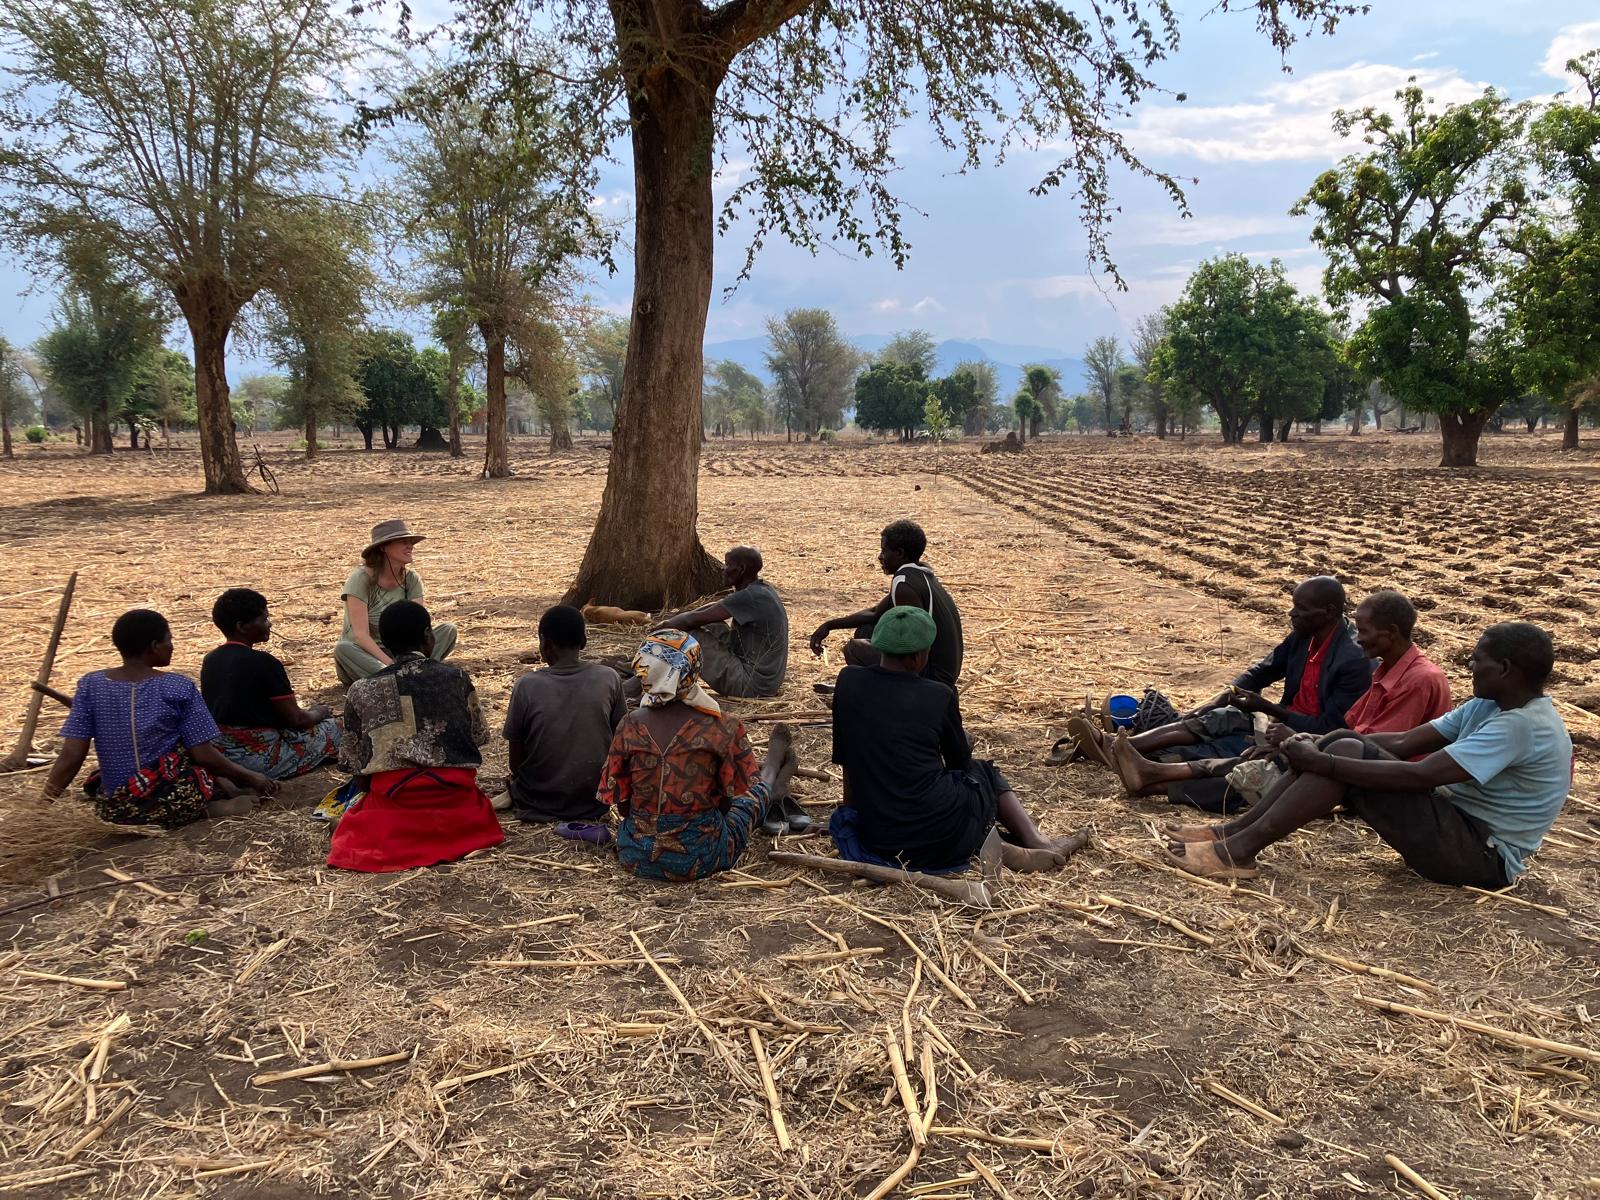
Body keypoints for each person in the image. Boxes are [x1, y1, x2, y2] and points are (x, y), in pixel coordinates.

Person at [1163, 622, 1572, 887]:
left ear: (1505, 669)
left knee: (1340, 757)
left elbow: (1423, 775)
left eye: (1477, 660)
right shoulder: (1490, 705)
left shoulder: (1521, 726)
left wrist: (1322, 760)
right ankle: (1232, 836)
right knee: (1344, 743)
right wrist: (1321, 741)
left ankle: (1236, 850)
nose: (1470, 667)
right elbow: (1405, 743)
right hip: (1458, 828)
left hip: (1482, 856)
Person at [1108, 590, 1452, 804]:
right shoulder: (1383, 666)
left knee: (1260, 774)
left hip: (1383, 776)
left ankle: (1154, 781)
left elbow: (1379, 749)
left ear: (1391, 633)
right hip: (1338, 749)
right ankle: (1139, 761)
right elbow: (1352, 731)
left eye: (1365, 631)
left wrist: (1301, 743)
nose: (1359, 638)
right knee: (1241, 739)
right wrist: (1296, 741)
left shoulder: (1408, 676)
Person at [829, 606, 1076, 873]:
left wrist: (851, 816)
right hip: (934, 833)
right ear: (918, 657)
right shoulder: (938, 695)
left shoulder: (848, 681)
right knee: (984, 773)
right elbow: (960, 764)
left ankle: (997, 843)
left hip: (879, 837)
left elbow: (846, 758)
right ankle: (1035, 841)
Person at [1069, 577, 1372, 787]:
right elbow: (1262, 671)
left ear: (1329, 612)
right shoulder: (1305, 636)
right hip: (1280, 722)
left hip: (1303, 736)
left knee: (1224, 748)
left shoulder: (1352, 660)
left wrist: (1268, 708)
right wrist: (1229, 693)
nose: (1293, 613)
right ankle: (1115, 746)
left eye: (1302, 609)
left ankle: (1142, 763)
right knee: (1216, 716)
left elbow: (1330, 728)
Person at [41, 609, 279, 826]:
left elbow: (72, 755)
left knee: (106, 774)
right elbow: (203, 755)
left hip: (116, 807)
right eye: (169, 640)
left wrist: (42, 807)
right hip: (171, 799)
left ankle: (221, 796)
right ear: (154, 646)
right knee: (198, 746)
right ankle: (208, 808)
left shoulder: (91, 685)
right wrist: (252, 777)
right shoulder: (178, 687)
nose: (171, 646)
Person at [598, 630, 796, 882]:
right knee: (749, 798)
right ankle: (771, 773)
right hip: (702, 857)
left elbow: (622, 805)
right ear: (693, 669)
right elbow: (726, 805)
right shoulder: (723, 727)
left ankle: (771, 776)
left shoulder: (629, 725)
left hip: (636, 855)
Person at [328, 601, 503, 872]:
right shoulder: (457, 679)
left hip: (394, 805)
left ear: (385, 645)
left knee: (350, 826)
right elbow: (477, 738)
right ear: (428, 636)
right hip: (457, 804)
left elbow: (357, 771)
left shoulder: (361, 690)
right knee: (473, 816)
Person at [501, 605, 626, 826]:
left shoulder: (526, 685)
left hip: (537, 800)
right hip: (594, 800)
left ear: (545, 643)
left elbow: (515, 762)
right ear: (584, 641)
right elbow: (621, 739)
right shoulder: (609, 678)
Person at [201, 588, 341, 780]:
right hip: (260, 755)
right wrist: (320, 712)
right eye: (264, 619)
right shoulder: (264, 662)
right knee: (338, 727)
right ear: (242, 626)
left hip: (222, 754)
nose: (269, 624)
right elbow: (297, 720)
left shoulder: (211, 660)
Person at [809, 519, 964, 687]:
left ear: (900, 553)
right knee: (866, 630)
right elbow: (875, 613)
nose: (880, 557)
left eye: (884, 551)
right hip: (942, 670)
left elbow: (913, 644)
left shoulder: (904, 584)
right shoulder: (919, 573)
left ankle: (888, 694)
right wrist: (829, 625)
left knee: (854, 649)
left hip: (934, 675)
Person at [334, 519, 459, 685]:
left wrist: (407, 661)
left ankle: (401, 678)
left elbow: (416, 629)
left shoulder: (411, 579)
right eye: (403, 542)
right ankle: (412, 677)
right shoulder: (360, 579)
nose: (410, 546)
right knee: (343, 648)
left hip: (402, 654)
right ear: (383, 547)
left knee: (448, 630)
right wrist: (391, 664)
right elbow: (360, 636)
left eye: (411, 542)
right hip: (367, 656)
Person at [656, 546, 789, 697]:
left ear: (741, 569)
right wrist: (674, 620)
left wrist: (664, 627)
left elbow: (690, 620)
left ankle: (652, 678)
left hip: (750, 685)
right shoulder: (761, 591)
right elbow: (711, 609)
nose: (722, 568)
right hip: (764, 682)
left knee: (687, 636)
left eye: (727, 564)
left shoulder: (750, 597)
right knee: (710, 624)